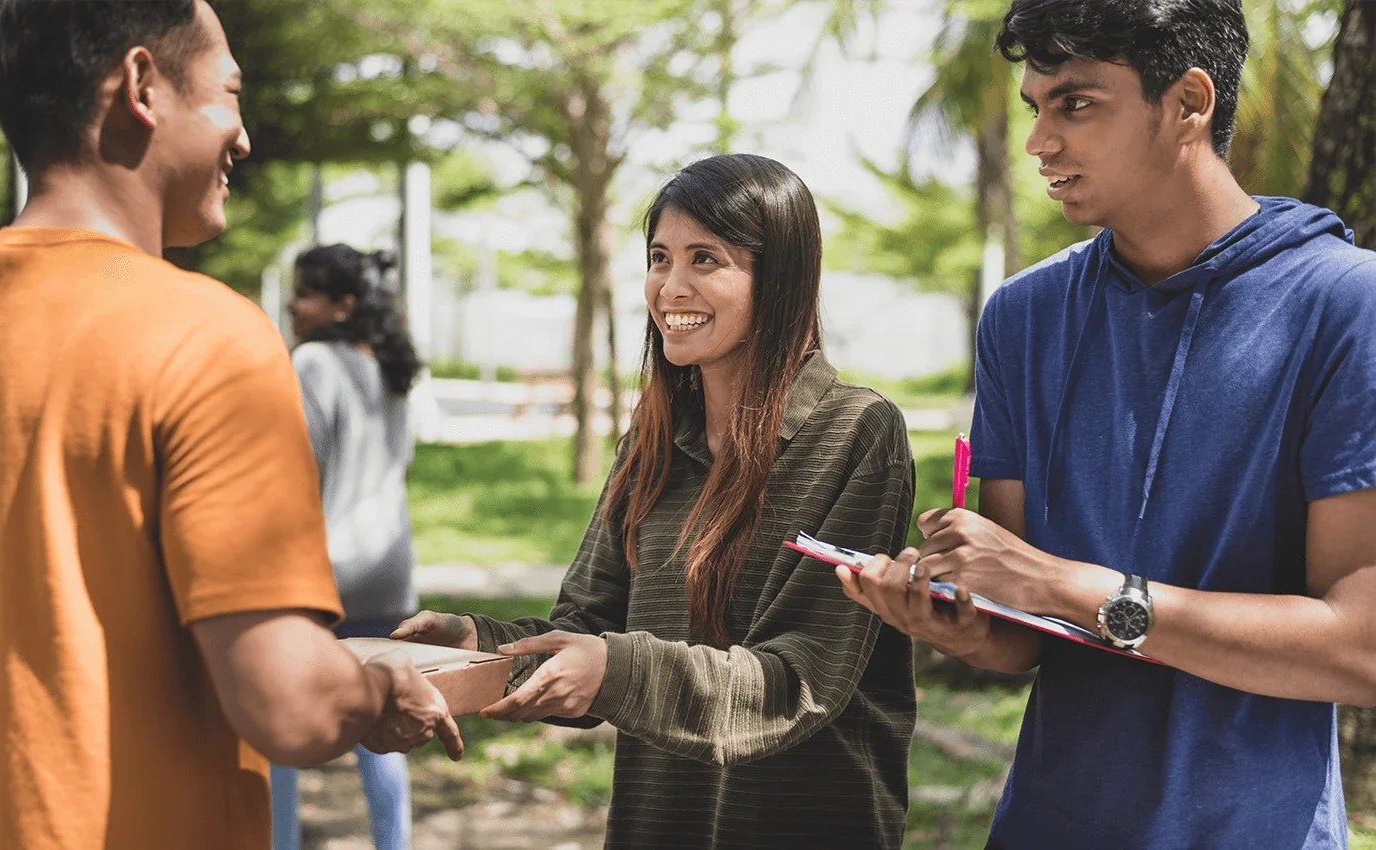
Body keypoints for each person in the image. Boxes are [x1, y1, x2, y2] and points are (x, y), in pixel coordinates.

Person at [0, 3, 462, 850]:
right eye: (229, 93)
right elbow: (289, 703)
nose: (244, 136)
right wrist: (378, 694)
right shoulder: (209, 336)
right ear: (142, 85)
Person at [837, 2, 1376, 848]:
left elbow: (1361, 648)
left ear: (1189, 103)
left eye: (1076, 104)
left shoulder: (1347, 306)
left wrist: (1068, 587)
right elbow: (1021, 639)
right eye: (1035, 107)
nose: (1039, 142)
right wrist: (961, 617)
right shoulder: (1022, 317)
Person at [396, 154, 919, 849]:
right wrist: (476, 646)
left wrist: (614, 670)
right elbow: (586, 631)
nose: (671, 287)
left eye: (706, 259)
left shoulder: (857, 433)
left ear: (781, 279)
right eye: (659, 257)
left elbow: (799, 684)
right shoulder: (652, 439)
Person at [271, 244, 423, 850]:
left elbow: (297, 475)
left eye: (305, 292)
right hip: (387, 570)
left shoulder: (311, 362)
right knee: (379, 723)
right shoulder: (390, 367)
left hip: (322, 571)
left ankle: (279, 841)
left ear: (343, 305)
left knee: (278, 727)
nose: (292, 303)